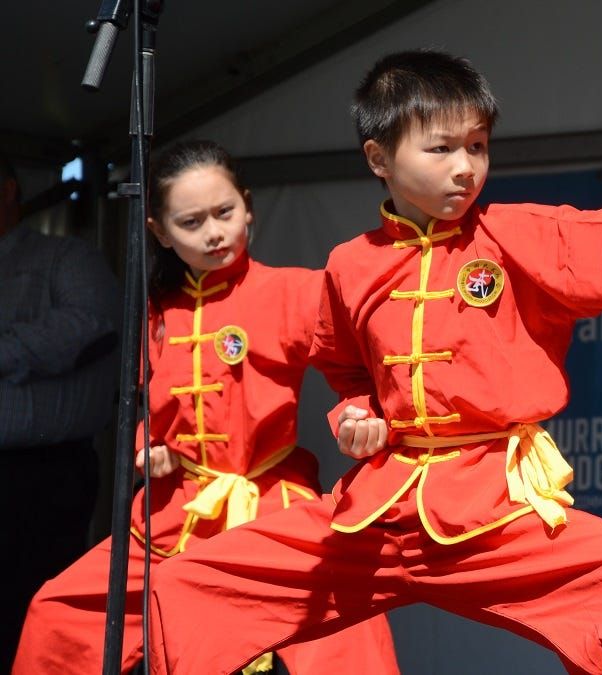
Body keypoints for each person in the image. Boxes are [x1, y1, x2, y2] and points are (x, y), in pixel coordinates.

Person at [140, 49, 602, 675]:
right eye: (441, 148)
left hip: (497, 511)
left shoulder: (517, 237)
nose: (465, 165)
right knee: (187, 587)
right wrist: (358, 417)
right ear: (379, 157)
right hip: (376, 518)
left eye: (477, 145)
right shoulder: (350, 266)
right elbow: (347, 373)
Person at [13, 140, 400, 675]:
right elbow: (144, 408)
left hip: (269, 502)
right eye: (191, 222)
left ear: (248, 206)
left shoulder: (292, 290)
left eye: (225, 212)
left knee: (347, 631)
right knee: (58, 614)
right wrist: (146, 448)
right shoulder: (154, 311)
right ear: (159, 231)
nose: (214, 232)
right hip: (175, 512)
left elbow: (362, 359)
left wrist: (358, 412)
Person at [0, 154, 120, 670]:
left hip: (41, 473)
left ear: (7, 190)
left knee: (32, 610)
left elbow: (91, 326)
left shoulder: (65, 257)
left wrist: (8, 350)